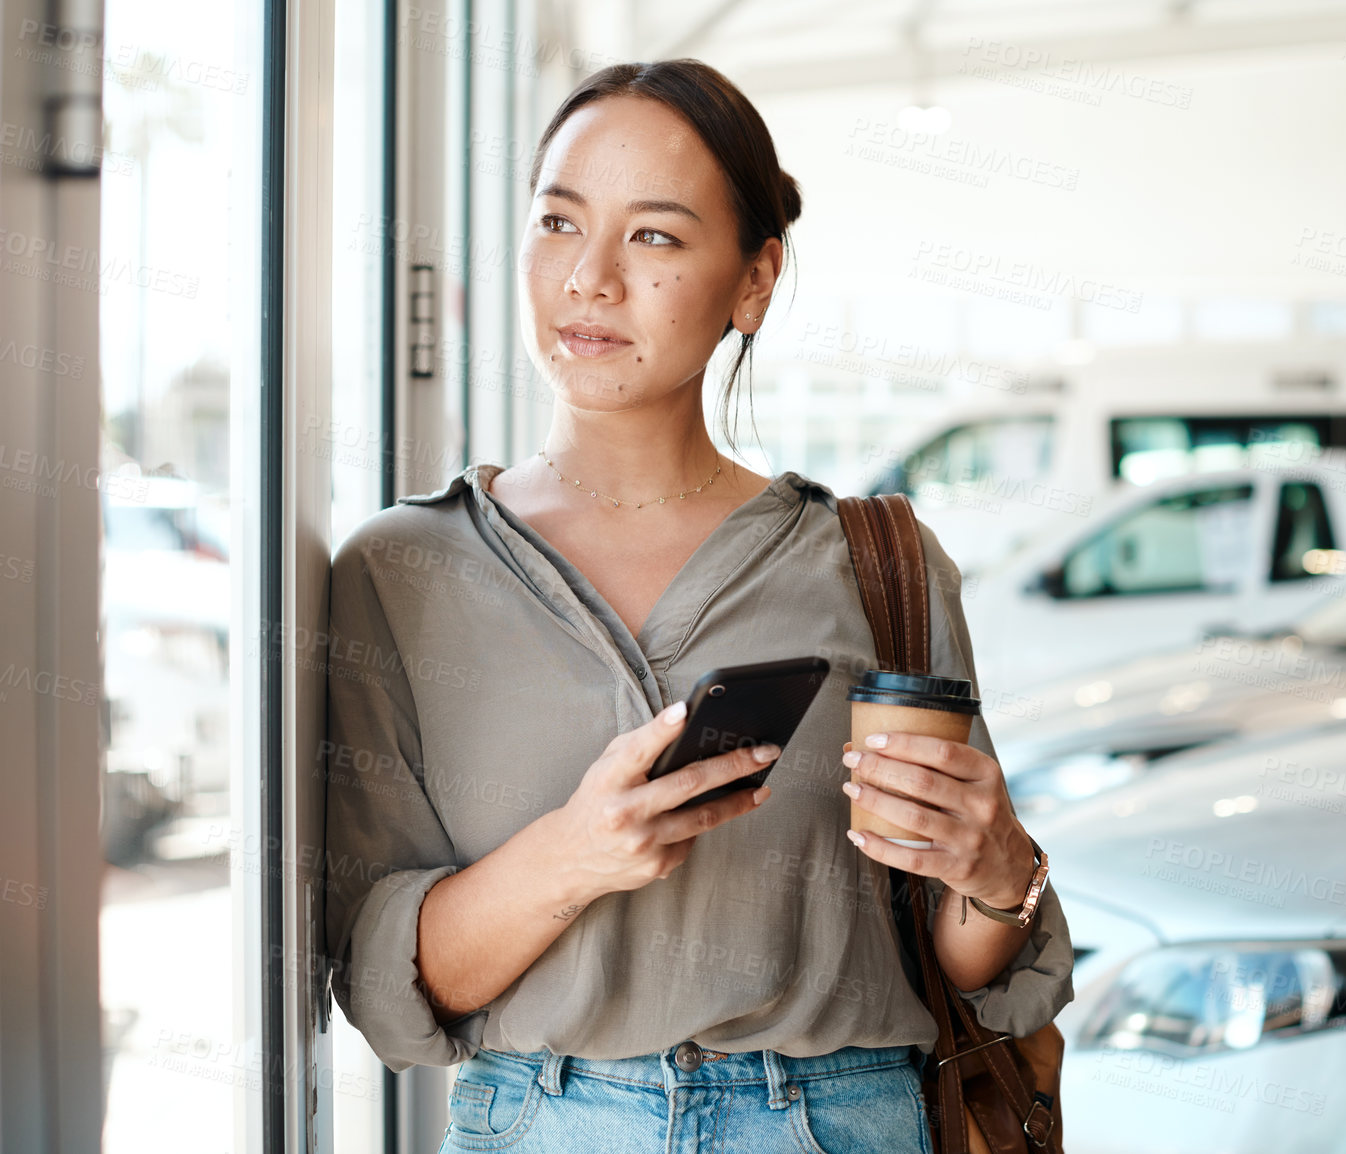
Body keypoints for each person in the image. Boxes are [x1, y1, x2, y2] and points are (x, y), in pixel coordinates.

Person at [322, 57, 1073, 1154]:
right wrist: (578, 852)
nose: (590, 279)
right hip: (541, 1120)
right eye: (559, 222)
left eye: (656, 237)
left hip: (842, 1117)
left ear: (754, 279)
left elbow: (957, 958)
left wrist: (998, 862)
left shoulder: (880, 564)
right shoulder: (400, 570)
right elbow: (392, 980)